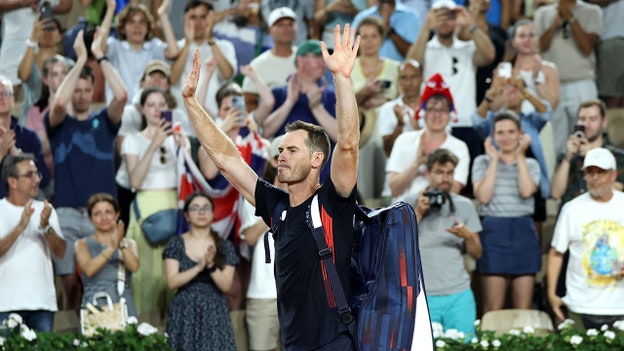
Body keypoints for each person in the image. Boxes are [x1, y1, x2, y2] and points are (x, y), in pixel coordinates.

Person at [181, 24, 360, 350]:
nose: (281, 157)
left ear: (318, 159)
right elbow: (225, 158)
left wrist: (342, 79)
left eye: (292, 150)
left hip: (336, 343)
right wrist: (192, 103)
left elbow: (347, 144)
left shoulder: (334, 201)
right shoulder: (276, 205)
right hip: (294, 344)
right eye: (280, 151)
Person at [45, 30, 127, 311]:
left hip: (101, 214)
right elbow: (58, 102)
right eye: (76, 90)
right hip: (66, 211)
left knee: (98, 277)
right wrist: (79, 61)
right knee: (69, 280)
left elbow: (122, 94)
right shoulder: (58, 123)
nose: (80, 95)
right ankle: (71, 331)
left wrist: (99, 56)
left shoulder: (104, 120)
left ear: (92, 91)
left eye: (85, 89)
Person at [121, 88, 184, 324]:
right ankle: (146, 333)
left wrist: (183, 148)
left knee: (173, 275)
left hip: (174, 206)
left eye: (162, 105)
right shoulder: (132, 140)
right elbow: (135, 181)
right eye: (152, 105)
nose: (158, 110)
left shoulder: (176, 138)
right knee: (147, 277)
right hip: (146, 209)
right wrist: (154, 144)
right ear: (142, 110)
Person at [472, 111, 541, 313]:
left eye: (511, 132)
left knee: (524, 307)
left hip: (523, 232)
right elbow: (483, 197)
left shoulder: (531, 164)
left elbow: (527, 191)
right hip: (494, 232)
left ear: (520, 134)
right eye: (500, 132)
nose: (506, 137)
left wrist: (520, 155)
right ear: (493, 135)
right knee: (493, 306)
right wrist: (493, 160)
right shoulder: (481, 162)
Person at [548, 147, 624, 330]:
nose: (595, 178)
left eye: (600, 172)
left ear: (613, 175)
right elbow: (556, 253)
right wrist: (551, 294)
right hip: (579, 303)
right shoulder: (572, 209)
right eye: (590, 173)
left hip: (619, 304)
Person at [473, 71, 551, 239]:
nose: (512, 91)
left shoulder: (530, 120)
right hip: (499, 186)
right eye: (507, 89)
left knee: (533, 237)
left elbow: (545, 112)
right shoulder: (493, 121)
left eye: (516, 88)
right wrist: (491, 95)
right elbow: (477, 121)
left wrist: (526, 92)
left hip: (530, 178)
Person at [414, 148, 482, 337]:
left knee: (464, 347)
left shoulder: (464, 205)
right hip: (422, 296)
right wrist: (418, 213)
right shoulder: (409, 203)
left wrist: (468, 236)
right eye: (439, 172)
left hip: (459, 294)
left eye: (449, 172)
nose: (445, 178)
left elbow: (477, 253)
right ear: (428, 173)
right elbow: (395, 248)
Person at [163, 192, 239, 351]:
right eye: (195, 208)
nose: (201, 212)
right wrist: (198, 267)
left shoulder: (224, 246)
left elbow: (225, 286)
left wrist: (210, 264)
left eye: (206, 208)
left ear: (213, 214)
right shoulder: (176, 243)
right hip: (184, 310)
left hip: (215, 310)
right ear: (187, 216)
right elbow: (172, 282)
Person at [0, 154, 66, 332]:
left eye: (37, 174)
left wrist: (46, 228)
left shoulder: (45, 209)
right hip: (6, 304)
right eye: (29, 175)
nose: (36, 179)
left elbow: (60, 252)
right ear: (12, 181)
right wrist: (20, 227)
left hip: (42, 303)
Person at [385, 73, 470, 204]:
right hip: (404, 214)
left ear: (450, 114)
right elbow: (394, 190)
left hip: (440, 216)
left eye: (442, 110)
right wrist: (416, 163)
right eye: (431, 109)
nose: (437, 115)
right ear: (423, 112)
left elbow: (453, 193)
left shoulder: (459, 147)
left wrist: (433, 171)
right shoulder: (404, 140)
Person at [533, 0, 602, 156]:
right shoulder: (543, 13)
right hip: (551, 85)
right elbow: (539, 47)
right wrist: (555, 24)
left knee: (585, 136)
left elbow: (587, 47)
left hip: (582, 82)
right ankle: (559, 177)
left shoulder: (592, 11)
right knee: (555, 142)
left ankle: (587, 176)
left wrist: (570, 17)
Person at [99, 0, 179, 104]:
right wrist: (110, 9)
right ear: (123, 28)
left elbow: (174, 52)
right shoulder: (115, 47)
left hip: (149, 112)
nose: (137, 27)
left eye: (142, 22)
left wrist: (162, 15)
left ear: (148, 27)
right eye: (131, 22)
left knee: (173, 115)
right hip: (120, 113)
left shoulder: (154, 47)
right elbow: (98, 48)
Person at [75, 193, 139, 318]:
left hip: (123, 306)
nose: (103, 217)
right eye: (97, 214)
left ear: (117, 214)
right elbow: (89, 270)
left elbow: (134, 267)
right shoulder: (82, 244)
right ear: (90, 218)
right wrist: (112, 248)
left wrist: (121, 244)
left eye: (108, 212)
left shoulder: (129, 243)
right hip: (94, 306)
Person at [550, 99, 624, 206]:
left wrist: (594, 156)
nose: (586, 124)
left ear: (604, 122)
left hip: (603, 217)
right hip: (571, 217)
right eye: (582, 119)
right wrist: (567, 159)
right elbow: (556, 193)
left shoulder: (619, 157)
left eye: (593, 119)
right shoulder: (567, 157)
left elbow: (617, 189)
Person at [170, 0, 237, 116]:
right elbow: (173, 79)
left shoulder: (225, 46)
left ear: (212, 18)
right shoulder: (177, 47)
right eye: (193, 17)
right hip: (183, 117)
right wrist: (188, 42)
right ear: (185, 19)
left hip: (214, 117)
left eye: (203, 17)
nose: (198, 23)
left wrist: (210, 39)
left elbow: (228, 74)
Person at [0, 75, 51, 199]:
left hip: (25, 206)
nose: (1, 98)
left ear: (13, 100)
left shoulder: (29, 136)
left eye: (5, 93)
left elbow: (43, 179)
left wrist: (16, 154)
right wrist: (1, 152)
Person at [241, 7, 297, 114]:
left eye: (290, 24)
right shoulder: (259, 64)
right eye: (281, 25)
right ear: (270, 30)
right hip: (271, 124)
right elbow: (248, 100)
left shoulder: (304, 57)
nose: (287, 29)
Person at [25, 56, 72, 184]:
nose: (62, 79)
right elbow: (40, 148)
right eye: (55, 74)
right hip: (47, 177)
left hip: (74, 172)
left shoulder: (78, 106)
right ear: (46, 79)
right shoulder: (36, 111)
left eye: (64, 73)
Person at [18, 16, 64, 121]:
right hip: (29, 121)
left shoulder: (68, 64)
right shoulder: (27, 60)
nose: (47, 33)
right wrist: (32, 38)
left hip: (57, 121)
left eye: (51, 29)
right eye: (43, 28)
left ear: (60, 36)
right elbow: (24, 76)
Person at [377, 59, 423, 156]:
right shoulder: (388, 108)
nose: (409, 82)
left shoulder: (433, 108)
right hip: (398, 168)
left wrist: (418, 129)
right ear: (399, 80)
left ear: (422, 78)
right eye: (404, 77)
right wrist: (400, 126)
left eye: (413, 77)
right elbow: (388, 151)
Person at [351, 0, 422, 62]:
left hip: (398, 74)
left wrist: (389, 30)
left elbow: (416, 56)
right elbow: (351, 54)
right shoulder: (362, 18)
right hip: (365, 73)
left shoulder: (411, 17)